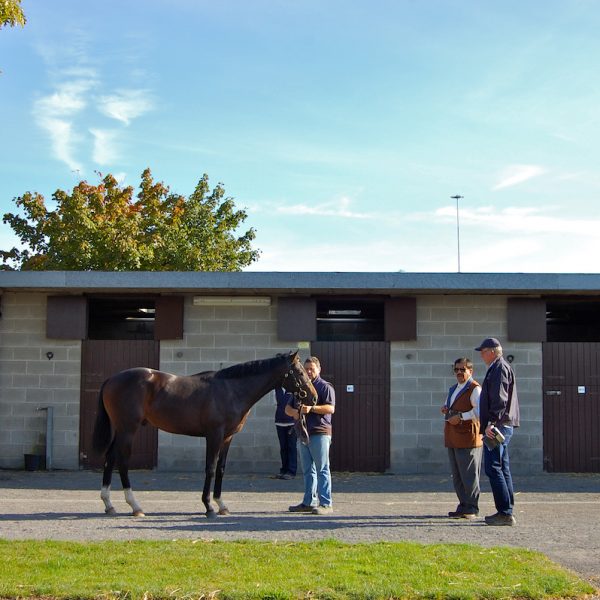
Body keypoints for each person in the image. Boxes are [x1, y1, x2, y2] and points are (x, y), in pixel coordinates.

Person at [475, 337, 520, 526]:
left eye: (483, 351)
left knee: (493, 467)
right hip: (503, 424)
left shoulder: (499, 368)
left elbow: (499, 399)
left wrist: (491, 422)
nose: (481, 355)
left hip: (498, 425)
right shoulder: (498, 367)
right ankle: (506, 509)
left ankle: (505, 512)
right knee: (502, 467)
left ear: (492, 351)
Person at [286, 356, 335, 515]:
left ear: (318, 369)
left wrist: (311, 409)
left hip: (320, 433)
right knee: (308, 470)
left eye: (311, 369)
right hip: (303, 433)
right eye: (306, 369)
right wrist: (295, 412)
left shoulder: (325, 387)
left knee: (322, 469)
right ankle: (308, 502)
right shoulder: (300, 388)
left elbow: (330, 408)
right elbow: (287, 409)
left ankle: (326, 504)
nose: (308, 371)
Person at [441, 358, 482, 519]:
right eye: (456, 370)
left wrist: (461, 417)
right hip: (452, 435)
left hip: (468, 436)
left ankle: (472, 507)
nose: (459, 372)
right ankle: (463, 505)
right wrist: (446, 409)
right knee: (457, 474)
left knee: (469, 474)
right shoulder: (453, 389)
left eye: (462, 369)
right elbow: (449, 405)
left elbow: (479, 412)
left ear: (470, 371)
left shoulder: (474, 389)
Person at [274, 387, 297, 480]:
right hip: (279, 422)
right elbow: (276, 403)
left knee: (291, 447)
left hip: (291, 423)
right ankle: (283, 470)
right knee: (283, 447)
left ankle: (291, 471)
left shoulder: (294, 390)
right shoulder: (277, 389)